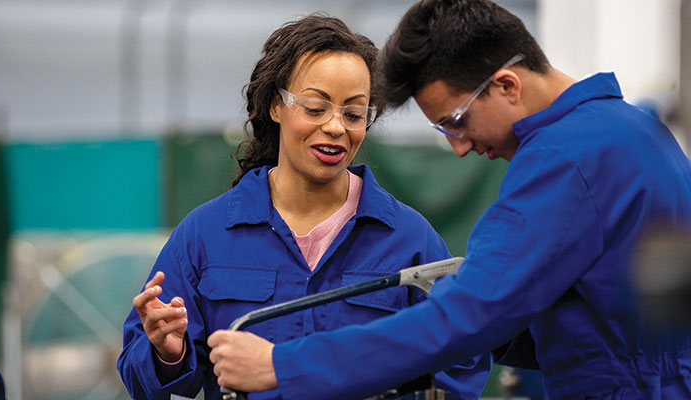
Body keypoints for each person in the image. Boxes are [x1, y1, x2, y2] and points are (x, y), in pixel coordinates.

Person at [206, 1, 691, 399]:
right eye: (443, 131)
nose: (459, 146)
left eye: (456, 121)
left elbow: (464, 319)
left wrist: (282, 364)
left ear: (506, 84)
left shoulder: (564, 162)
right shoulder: (636, 131)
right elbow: (604, 313)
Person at [117, 14, 490, 400]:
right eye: (315, 107)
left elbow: (462, 362)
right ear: (275, 106)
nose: (335, 127)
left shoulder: (409, 240)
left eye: (354, 113)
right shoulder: (204, 236)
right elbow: (138, 374)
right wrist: (167, 351)